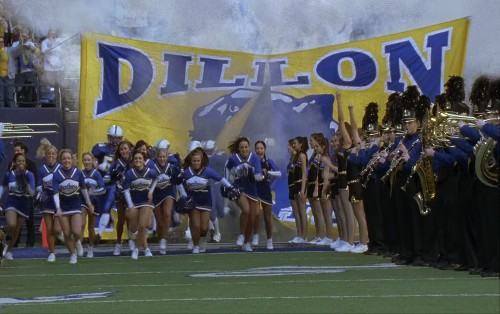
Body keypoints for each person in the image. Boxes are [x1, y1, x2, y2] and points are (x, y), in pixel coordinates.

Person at [181, 147, 236, 253]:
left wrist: (231, 187)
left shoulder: (207, 171)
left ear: (201, 160)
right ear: (190, 161)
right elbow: (178, 182)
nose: (196, 163)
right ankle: (196, 245)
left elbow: (221, 178)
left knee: (204, 228)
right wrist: (183, 195)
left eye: (198, 161)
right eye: (194, 161)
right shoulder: (186, 172)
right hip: (193, 202)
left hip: (205, 201)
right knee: (196, 225)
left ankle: (202, 241)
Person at [52, 149, 94, 264]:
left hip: (76, 206)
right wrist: (58, 208)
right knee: (66, 233)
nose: (67, 160)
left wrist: (89, 203)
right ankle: (73, 254)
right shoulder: (57, 175)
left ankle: (78, 242)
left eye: (69, 158)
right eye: (64, 158)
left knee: (76, 231)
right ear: (61, 160)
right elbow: (55, 193)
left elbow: (84, 189)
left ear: (72, 159)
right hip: (64, 207)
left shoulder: (78, 172)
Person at [225, 136, 263, 251]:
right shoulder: (234, 158)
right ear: (238, 148)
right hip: (239, 188)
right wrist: (227, 184)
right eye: (242, 147)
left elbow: (259, 174)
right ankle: (241, 235)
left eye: (246, 147)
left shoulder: (254, 157)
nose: (244, 149)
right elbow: (227, 168)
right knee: (246, 210)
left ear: (249, 148)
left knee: (253, 216)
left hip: (252, 189)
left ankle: (247, 242)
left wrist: (258, 176)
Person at [91, 125, 122, 249]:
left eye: (117, 138)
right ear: (108, 137)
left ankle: (100, 234)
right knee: (95, 209)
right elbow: (91, 161)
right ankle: (93, 234)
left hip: (112, 184)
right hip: (100, 183)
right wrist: (98, 167)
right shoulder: (100, 148)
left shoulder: (124, 150)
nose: (115, 141)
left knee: (107, 207)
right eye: (112, 138)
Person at [123, 150, 158, 260]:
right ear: (133, 161)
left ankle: (137, 250)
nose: (138, 160)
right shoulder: (129, 173)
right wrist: (131, 205)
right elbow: (126, 190)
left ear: (144, 161)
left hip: (146, 202)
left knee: (143, 225)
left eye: (140, 158)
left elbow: (156, 179)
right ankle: (146, 248)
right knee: (134, 229)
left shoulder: (150, 172)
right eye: (136, 158)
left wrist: (151, 191)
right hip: (134, 202)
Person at [0, 153, 36, 260]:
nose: (21, 163)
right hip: (11, 202)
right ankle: (3, 229)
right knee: (12, 224)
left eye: (23, 161)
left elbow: (32, 193)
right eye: (19, 161)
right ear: (15, 163)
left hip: (23, 204)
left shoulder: (29, 174)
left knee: (17, 229)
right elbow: (2, 187)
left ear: (25, 163)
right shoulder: (9, 174)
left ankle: (9, 251)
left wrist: (25, 180)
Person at [35, 138, 63, 262]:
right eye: (48, 154)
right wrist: (39, 194)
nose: (51, 156)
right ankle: (52, 252)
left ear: (56, 156)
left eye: (53, 154)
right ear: (45, 156)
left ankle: (63, 238)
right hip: (47, 201)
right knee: (49, 228)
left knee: (57, 229)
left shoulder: (61, 168)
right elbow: (39, 185)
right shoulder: (42, 169)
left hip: (59, 201)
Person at [151, 140, 181, 255]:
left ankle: (164, 240)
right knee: (159, 221)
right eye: (160, 157)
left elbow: (178, 181)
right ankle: (160, 240)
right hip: (156, 194)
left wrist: (182, 195)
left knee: (167, 213)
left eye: (164, 157)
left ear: (167, 156)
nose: (162, 159)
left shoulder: (172, 166)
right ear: (156, 157)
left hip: (168, 192)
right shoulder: (152, 166)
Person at [106, 139, 133, 256]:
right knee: (121, 220)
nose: (124, 151)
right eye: (121, 149)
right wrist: (113, 175)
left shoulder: (134, 161)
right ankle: (118, 242)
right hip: (120, 193)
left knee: (130, 219)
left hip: (132, 194)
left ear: (129, 149)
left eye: (125, 148)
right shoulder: (116, 163)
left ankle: (131, 240)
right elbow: (109, 178)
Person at [252, 140, 281, 250]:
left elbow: (279, 173)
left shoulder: (269, 161)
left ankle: (269, 240)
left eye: (261, 148)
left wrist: (268, 173)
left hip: (265, 189)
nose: (259, 150)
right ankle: (255, 235)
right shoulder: (252, 161)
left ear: (264, 150)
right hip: (254, 189)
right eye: (257, 148)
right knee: (255, 214)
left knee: (267, 217)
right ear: (255, 150)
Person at [9, 141, 37, 247]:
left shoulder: (31, 164)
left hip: (27, 196)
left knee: (29, 219)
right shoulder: (11, 164)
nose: (16, 152)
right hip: (15, 196)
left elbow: (34, 180)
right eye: (15, 150)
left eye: (18, 150)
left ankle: (30, 242)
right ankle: (15, 242)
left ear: (23, 151)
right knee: (15, 220)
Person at [80, 152, 105, 258]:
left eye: (88, 160)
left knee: (91, 226)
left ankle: (90, 248)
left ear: (92, 160)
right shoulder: (80, 173)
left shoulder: (96, 173)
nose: (86, 162)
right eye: (85, 160)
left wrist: (93, 192)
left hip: (94, 202)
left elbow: (103, 189)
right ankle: (79, 246)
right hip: (82, 202)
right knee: (81, 224)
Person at [288, 136, 309, 244]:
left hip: (301, 184)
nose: (293, 145)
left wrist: (303, 190)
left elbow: (305, 174)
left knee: (302, 212)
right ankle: (300, 235)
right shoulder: (296, 156)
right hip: (296, 184)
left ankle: (304, 237)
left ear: (300, 144)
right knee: (299, 213)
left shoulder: (302, 155)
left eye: (295, 143)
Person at [0, 35, 21, 108]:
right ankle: (1, 117)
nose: (1, 43)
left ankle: (12, 117)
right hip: (0, 78)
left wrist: (20, 42)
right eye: (0, 42)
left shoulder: (9, 50)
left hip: (9, 77)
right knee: (1, 98)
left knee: (10, 97)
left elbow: (17, 49)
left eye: (2, 42)